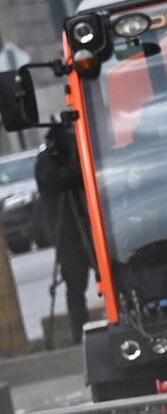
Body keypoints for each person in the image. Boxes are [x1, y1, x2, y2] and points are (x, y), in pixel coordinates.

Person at [34, 119, 91, 349]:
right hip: (66, 232)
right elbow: (60, 179)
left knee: (109, 277)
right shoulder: (48, 162)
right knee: (75, 287)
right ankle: (80, 334)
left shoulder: (72, 155)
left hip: (88, 226)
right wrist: (77, 162)